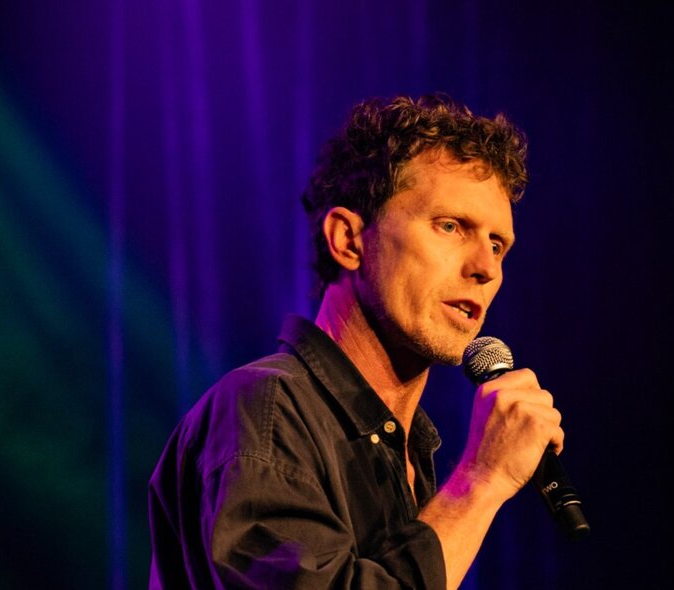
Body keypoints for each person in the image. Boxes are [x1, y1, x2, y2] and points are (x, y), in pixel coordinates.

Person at [148, 94, 565, 589]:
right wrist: (481, 480)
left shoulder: (406, 448)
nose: (486, 268)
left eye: (498, 245)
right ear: (348, 240)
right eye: (451, 226)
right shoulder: (267, 410)